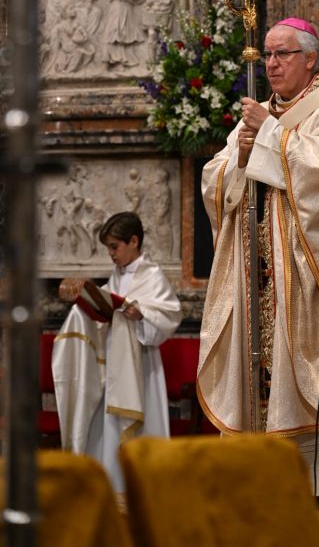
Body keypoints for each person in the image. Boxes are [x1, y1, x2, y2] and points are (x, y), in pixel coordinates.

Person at [197, 17, 319, 494]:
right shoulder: (259, 114)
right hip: (259, 270)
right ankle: (259, 469)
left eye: (282, 54)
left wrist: (269, 136)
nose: (272, 64)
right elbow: (215, 179)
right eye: (268, 54)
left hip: (310, 273)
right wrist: (239, 157)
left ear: (311, 59)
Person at [52, 211, 182, 493]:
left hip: (142, 366)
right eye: (108, 248)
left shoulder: (154, 276)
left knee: (143, 423)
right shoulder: (116, 276)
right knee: (108, 426)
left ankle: (143, 488)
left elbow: (170, 314)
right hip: (114, 365)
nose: (111, 254)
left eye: (114, 247)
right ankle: (113, 485)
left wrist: (142, 312)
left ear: (133, 241)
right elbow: (109, 305)